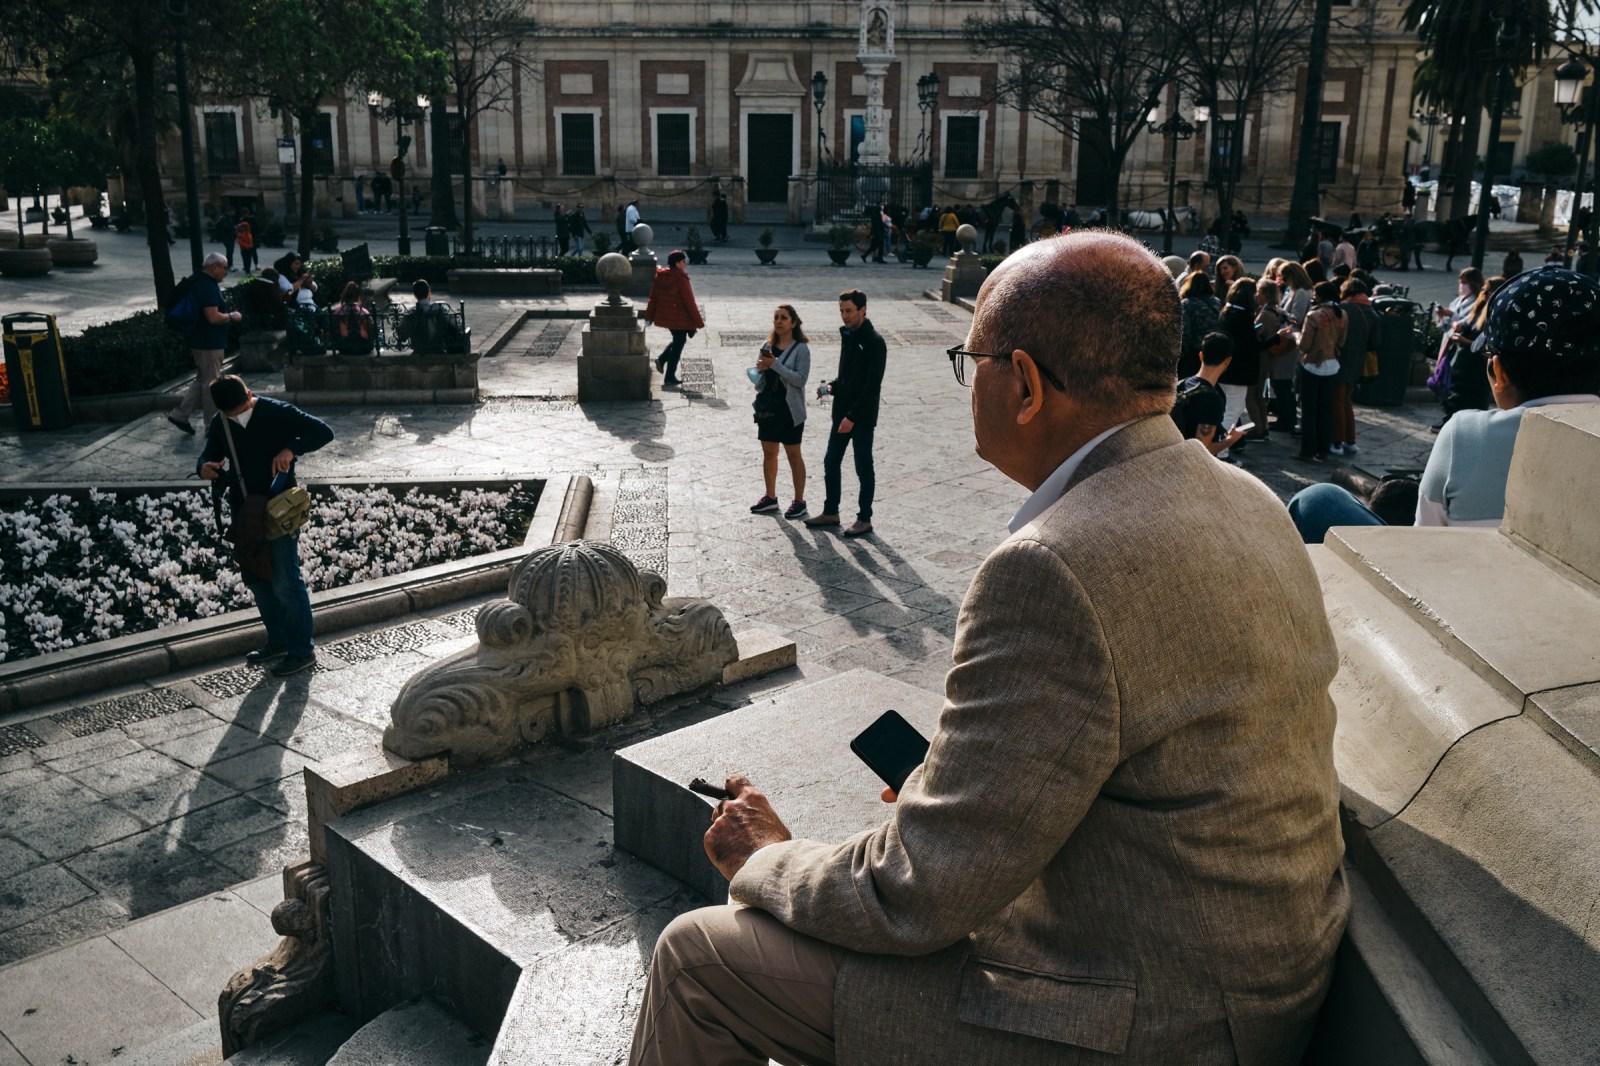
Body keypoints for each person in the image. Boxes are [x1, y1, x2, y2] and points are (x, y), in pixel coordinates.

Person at [631, 231, 1347, 1066]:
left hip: (1150, 1020)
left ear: (1028, 386)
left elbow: (918, 893)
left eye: (973, 362)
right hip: (1252, 976)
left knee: (698, 958)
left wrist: (770, 859)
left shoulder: (1054, 567)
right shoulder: (1247, 498)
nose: (968, 383)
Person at [1289, 267, 1600, 539]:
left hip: (1467, 595)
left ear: (1499, 372)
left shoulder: (1466, 434)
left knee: (1317, 502)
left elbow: (1429, 542)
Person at [197, 374, 334, 677]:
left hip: (280, 507)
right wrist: (204, 466)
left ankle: (302, 651)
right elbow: (210, 453)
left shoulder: (276, 411)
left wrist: (291, 449)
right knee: (258, 580)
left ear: (249, 393)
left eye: (243, 408)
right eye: (232, 414)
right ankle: (279, 640)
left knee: (286, 581)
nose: (239, 416)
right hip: (246, 510)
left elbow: (323, 432)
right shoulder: (222, 421)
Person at [804, 290, 885, 538]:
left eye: (849, 310)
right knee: (831, 462)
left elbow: (871, 387)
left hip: (860, 417)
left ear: (863, 309)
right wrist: (831, 387)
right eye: (841, 311)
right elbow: (848, 378)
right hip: (842, 415)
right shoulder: (848, 336)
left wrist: (852, 416)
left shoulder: (874, 341)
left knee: (863, 466)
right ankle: (831, 511)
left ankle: (864, 518)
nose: (845, 316)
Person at [167, 252, 243, 436]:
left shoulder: (199, 281)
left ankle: (180, 415)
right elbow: (213, 317)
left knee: (202, 379)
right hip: (208, 342)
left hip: (201, 340)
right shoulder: (206, 286)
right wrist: (233, 316)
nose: (226, 272)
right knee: (212, 383)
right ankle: (213, 425)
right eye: (224, 267)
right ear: (213, 267)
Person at [748, 304, 810, 519]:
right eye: (776, 317)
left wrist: (775, 364)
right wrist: (760, 370)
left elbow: (800, 380)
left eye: (784, 317)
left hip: (791, 411)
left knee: (793, 455)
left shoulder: (801, 349)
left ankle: (799, 501)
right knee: (769, 453)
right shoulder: (767, 345)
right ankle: (770, 497)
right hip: (769, 408)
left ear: (793, 322)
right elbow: (760, 383)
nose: (779, 321)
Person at [1294, 280, 1347, 462]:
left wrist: (1295, 337)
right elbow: (1341, 341)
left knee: (1309, 410)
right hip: (1332, 364)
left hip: (1312, 364)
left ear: (1321, 296)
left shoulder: (1313, 316)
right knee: (1325, 408)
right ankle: (1323, 450)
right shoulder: (1343, 315)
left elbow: (1305, 345)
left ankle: (1307, 450)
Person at [1172, 331, 1249, 456]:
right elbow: (1202, 451)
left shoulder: (1183, 384)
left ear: (1201, 356)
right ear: (1228, 361)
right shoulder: (1212, 401)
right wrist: (1230, 440)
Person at [642, 250, 705, 387]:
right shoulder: (681, 278)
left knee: (678, 341)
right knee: (678, 344)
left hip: (669, 318)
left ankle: (662, 360)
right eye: (683, 261)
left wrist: (649, 317)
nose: (685, 264)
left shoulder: (661, 276)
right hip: (680, 318)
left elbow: (653, 298)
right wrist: (698, 322)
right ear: (678, 263)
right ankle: (669, 376)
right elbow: (689, 302)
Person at [1329, 278, 1378, 456]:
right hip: (1358, 361)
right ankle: (1350, 440)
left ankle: (1336, 441)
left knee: (1337, 401)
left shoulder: (1344, 309)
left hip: (1341, 359)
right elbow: (1374, 342)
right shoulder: (1372, 311)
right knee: (1346, 401)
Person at [1219, 277, 1267, 443]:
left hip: (1225, 369)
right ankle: (1221, 450)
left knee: (1226, 409)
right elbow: (1252, 347)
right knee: (1234, 411)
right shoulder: (1244, 317)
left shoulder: (1227, 312)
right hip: (1238, 373)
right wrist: (1275, 339)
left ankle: (1220, 448)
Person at [1177, 272, 1220, 379]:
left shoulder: (1187, 304)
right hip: (1215, 348)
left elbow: (1184, 331)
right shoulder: (1216, 302)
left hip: (1195, 351)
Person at [328, 281, 374, 354]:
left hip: (343, 348)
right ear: (358, 297)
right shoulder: (363, 312)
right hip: (363, 347)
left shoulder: (337, 312)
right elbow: (371, 329)